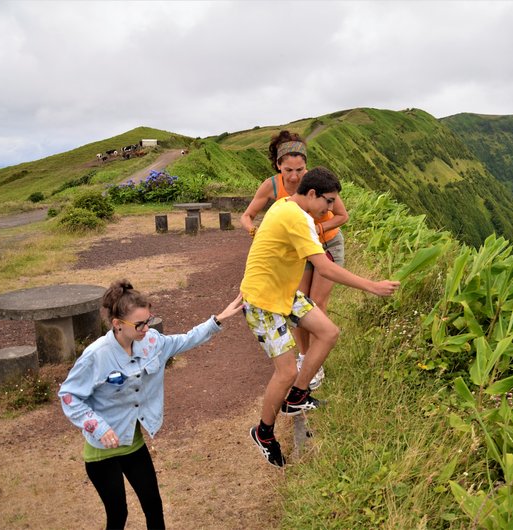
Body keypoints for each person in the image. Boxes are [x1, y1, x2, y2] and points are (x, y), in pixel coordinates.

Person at [241, 166, 399, 467]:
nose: (331, 208)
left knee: (328, 332)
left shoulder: (287, 206)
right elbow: (324, 267)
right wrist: (372, 286)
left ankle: (297, 397)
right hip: (263, 301)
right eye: (328, 201)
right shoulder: (297, 218)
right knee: (285, 372)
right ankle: (264, 433)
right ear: (311, 194)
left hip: (284, 293)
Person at [58, 280, 244, 530]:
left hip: (133, 445)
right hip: (102, 453)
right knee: (118, 515)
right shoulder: (97, 355)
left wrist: (218, 320)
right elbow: (69, 396)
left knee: (154, 509)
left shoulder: (152, 341)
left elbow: (185, 340)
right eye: (139, 324)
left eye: (148, 320)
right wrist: (99, 427)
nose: (147, 328)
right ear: (117, 324)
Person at [240, 131, 349, 389]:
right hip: (296, 251)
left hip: (327, 244)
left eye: (300, 168)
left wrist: (315, 229)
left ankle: (316, 363)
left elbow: (342, 215)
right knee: (299, 302)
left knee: (318, 302)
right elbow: (247, 215)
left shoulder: (314, 183)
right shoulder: (272, 186)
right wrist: (255, 231)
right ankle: (305, 355)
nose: (294, 175)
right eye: (288, 169)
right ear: (278, 165)